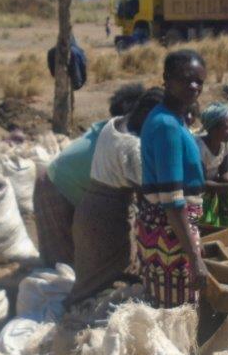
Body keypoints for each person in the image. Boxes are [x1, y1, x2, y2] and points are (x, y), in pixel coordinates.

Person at [67, 88, 163, 305]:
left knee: (91, 275)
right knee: (102, 281)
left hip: (89, 207)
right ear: (147, 113)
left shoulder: (115, 124)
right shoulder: (132, 147)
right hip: (108, 218)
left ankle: (79, 310)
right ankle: (80, 318)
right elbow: (150, 194)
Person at [32, 85, 145, 267]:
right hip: (54, 187)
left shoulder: (112, 129)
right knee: (61, 264)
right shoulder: (120, 140)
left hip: (75, 186)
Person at [136, 49, 208, 308]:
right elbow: (172, 201)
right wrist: (195, 259)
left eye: (199, 81)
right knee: (176, 313)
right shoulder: (167, 124)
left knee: (165, 310)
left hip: (166, 229)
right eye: (186, 79)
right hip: (171, 236)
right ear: (166, 78)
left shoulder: (171, 118)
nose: (194, 86)